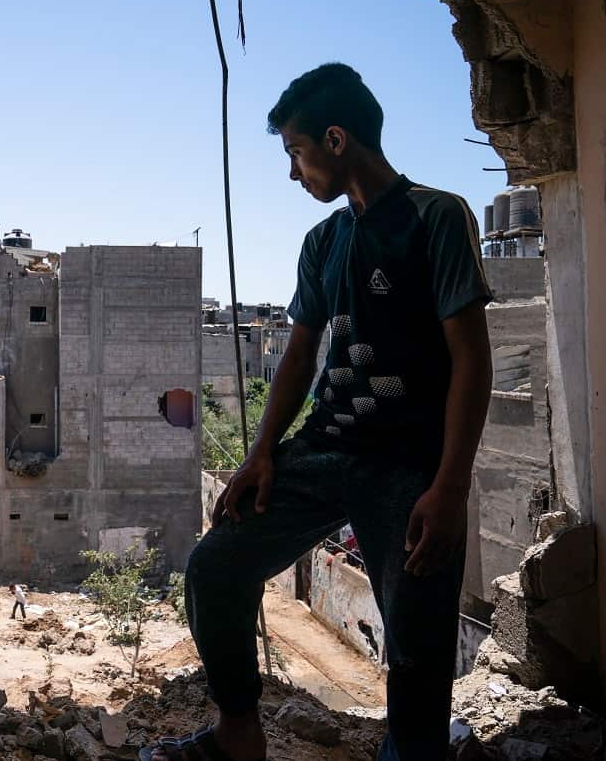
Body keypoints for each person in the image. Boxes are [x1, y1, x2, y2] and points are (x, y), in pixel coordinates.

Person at [143, 63, 492, 761]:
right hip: (324, 451)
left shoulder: (437, 218)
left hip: (410, 467)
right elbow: (298, 358)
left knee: (418, 655)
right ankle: (238, 734)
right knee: (217, 565)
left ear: (336, 139)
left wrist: (449, 487)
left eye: (296, 153)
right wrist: (262, 450)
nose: (294, 172)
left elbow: (471, 361)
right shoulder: (324, 243)